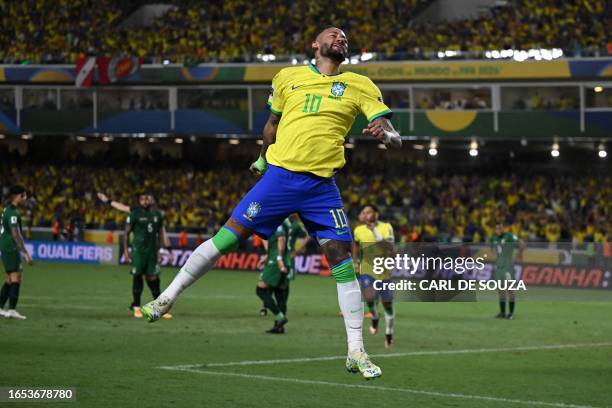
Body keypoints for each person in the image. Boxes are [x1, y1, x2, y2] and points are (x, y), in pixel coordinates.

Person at [141, 27, 401, 380]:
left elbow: (387, 129)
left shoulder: (360, 84)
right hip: (280, 178)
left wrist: (388, 135)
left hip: (323, 187)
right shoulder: (287, 77)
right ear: (315, 44)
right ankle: (167, 297)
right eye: (332, 34)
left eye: (345, 36)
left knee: (342, 262)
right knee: (227, 238)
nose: (340, 38)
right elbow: (271, 124)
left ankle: (356, 351)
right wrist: (263, 160)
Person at [352, 204, 396, 348]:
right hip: (367, 269)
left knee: (387, 304)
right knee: (369, 297)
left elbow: (390, 246)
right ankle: (375, 316)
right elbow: (356, 245)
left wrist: (374, 232)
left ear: (376, 215)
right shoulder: (358, 230)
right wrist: (355, 261)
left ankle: (389, 333)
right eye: (364, 212)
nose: (366, 215)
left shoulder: (386, 227)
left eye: (369, 212)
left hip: (384, 270)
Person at [124, 193, 173, 318]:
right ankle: (136, 307)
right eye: (142, 199)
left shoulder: (157, 215)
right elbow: (126, 233)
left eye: (147, 199)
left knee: (154, 278)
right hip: (138, 252)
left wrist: (162, 251)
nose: (145, 201)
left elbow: (161, 233)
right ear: (139, 201)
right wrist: (125, 251)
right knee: (138, 276)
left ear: (151, 200)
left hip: (152, 252)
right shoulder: (134, 214)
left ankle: (159, 308)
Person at [0, 185, 33, 320]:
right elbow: (15, 234)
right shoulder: (12, 213)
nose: (25, 198)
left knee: (11, 278)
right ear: (18, 196)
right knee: (16, 277)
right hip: (10, 247)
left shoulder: (8, 209)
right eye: (24, 195)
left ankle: (1, 307)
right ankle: (12, 310)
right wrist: (25, 253)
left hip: (7, 246)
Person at [491, 222, 523, 320]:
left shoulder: (509, 236)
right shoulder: (493, 238)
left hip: (508, 266)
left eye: (500, 228)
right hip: (499, 267)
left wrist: (516, 257)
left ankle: (511, 313)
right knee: (500, 290)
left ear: (503, 228)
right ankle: (502, 312)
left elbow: (521, 244)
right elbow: (493, 249)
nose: (499, 230)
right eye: (497, 228)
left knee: (510, 290)